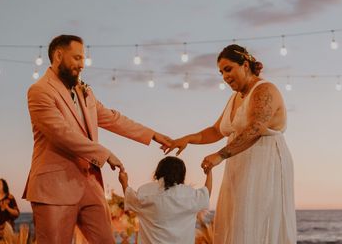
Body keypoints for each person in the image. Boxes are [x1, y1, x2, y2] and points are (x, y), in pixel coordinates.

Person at [23, 34, 172, 244]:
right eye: (76, 58)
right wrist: (105, 154)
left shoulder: (84, 91)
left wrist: (152, 134)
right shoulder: (39, 91)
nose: (82, 64)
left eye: (83, 59)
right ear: (58, 55)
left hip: (90, 186)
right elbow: (62, 134)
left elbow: (112, 118)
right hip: (54, 189)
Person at [164, 44, 297, 244]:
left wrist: (220, 155)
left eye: (228, 69)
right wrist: (188, 139)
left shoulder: (264, 90)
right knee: (237, 219)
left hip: (264, 162)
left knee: (258, 218)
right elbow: (218, 130)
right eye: (221, 73)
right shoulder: (235, 97)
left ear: (245, 65)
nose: (225, 77)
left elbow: (255, 129)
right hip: (238, 165)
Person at [118, 156, 212, 244]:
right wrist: (209, 172)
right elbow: (206, 194)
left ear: (158, 172)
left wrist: (124, 182)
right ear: (182, 175)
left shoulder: (145, 191)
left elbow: (130, 197)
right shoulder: (189, 194)